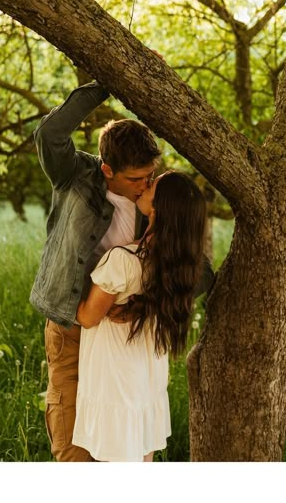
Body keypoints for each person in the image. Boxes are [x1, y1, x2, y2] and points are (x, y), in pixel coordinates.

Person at [30, 80, 214, 462]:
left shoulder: (154, 204)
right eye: (136, 180)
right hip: (74, 329)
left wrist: (145, 302)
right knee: (74, 450)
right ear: (108, 169)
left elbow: (193, 272)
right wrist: (110, 83)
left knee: (123, 449)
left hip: (121, 342)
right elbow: (50, 133)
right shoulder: (75, 176)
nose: (146, 185)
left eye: (150, 177)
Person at [72, 171, 208, 462]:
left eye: (152, 185)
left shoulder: (122, 260)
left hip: (115, 384)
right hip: (147, 383)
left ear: (157, 208)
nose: (145, 186)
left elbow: (86, 316)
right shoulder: (179, 265)